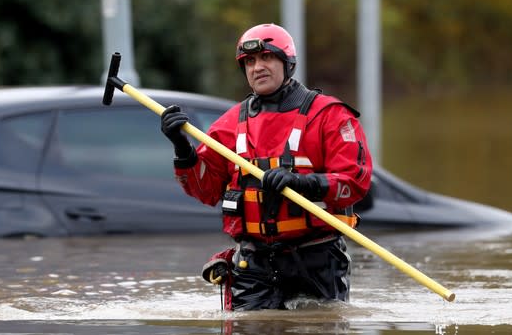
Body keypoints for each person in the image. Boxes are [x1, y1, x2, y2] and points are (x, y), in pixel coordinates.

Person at [160, 22, 373, 310]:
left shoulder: (330, 116)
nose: (257, 67)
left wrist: (301, 183)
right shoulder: (229, 125)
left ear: (288, 63)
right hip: (253, 264)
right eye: (249, 61)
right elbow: (206, 191)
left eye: (266, 58)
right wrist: (182, 149)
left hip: (317, 259)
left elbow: (355, 183)